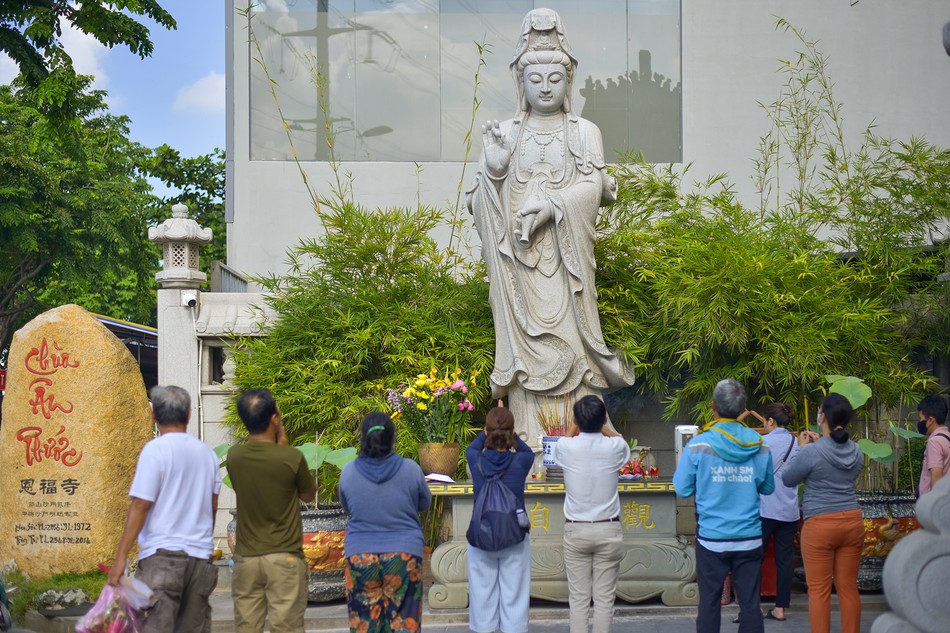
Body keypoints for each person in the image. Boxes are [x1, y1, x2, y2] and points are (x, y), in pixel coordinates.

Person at [466, 7, 634, 443]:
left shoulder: (584, 132)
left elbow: (595, 186)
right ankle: (527, 433)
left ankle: (581, 434)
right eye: (534, 79)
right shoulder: (505, 131)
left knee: (574, 349)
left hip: (567, 266)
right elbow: (478, 202)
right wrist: (496, 172)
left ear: (569, 81)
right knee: (526, 356)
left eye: (554, 79)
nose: (544, 87)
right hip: (520, 268)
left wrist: (553, 207)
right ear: (520, 82)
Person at [108, 385, 221, 633]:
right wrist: (201, 541)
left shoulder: (155, 451)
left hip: (163, 559)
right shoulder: (208, 454)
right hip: (200, 560)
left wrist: (121, 557)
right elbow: (213, 507)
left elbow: (141, 504)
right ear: (189, 414)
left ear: (154, 416)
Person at [672, 378, 773, 633]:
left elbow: (682, 488)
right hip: (749, 537)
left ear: (714, 406)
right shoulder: (759, 445)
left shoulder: (698, 445)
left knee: (709, 603)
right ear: (743, 408)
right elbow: (768, 488)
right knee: (750, 604)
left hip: (712, 538)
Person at [226, 389, 317, 633]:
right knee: (287, 628)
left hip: (246, 558)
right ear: (274, 419)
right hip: (284, 556)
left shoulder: (234, 456)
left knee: (247, 627)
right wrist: (283, 442)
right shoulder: (291, 457)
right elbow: (308, 495)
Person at [338, 412, 432, 633]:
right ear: (392, 438)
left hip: (361, 554)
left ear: (363, 438)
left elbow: (347, 507)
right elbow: (425, 503)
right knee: (403, 622)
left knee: (364, 622)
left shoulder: (349, 473)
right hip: (403, 554)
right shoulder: (410, 469)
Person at [782, 394, 864, 633]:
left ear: (824, 417)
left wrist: (802, 450)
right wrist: (819, 445)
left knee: (819, 591)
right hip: (852, 519)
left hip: (820, 524)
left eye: (819, 411)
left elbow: (788, 479)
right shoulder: (857, 451)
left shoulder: (811, 452)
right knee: (848, 587)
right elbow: (841, 467)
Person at [553, 395, 630, 633]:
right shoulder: (615, 446)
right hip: (608, 529)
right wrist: (603, 425)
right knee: (605, 600)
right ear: (604, 418)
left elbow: (561, 444)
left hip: (577, 530)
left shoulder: (566, 446)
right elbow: (620, 441)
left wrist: (573, 427)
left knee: (578, 600)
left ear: (575, 420)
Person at [465, 406, 535, 633]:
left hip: (481, 537)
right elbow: (527, 451)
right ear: (512, 431)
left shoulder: (475, 459)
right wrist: (507, 430)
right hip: (514, 536)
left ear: (485, 431)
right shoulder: (521, 462)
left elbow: (473, 446)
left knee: (481, 595)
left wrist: (491, 427)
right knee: (515, 594)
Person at [756, 403, 800, 622]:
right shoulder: (796, 442)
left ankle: (753, 607)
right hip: (790, 510)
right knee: (784, 561)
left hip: (764, 509)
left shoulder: (762, 443)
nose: (763, 426)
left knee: (754, 558)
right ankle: (781, 608)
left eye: (764, 421)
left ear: (771, 421)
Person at [916, 394, 949, 497]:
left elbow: (936, 476)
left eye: (921, 419)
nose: (920, 422)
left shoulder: (934, 442)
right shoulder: (947, 438)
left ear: (930, 420)